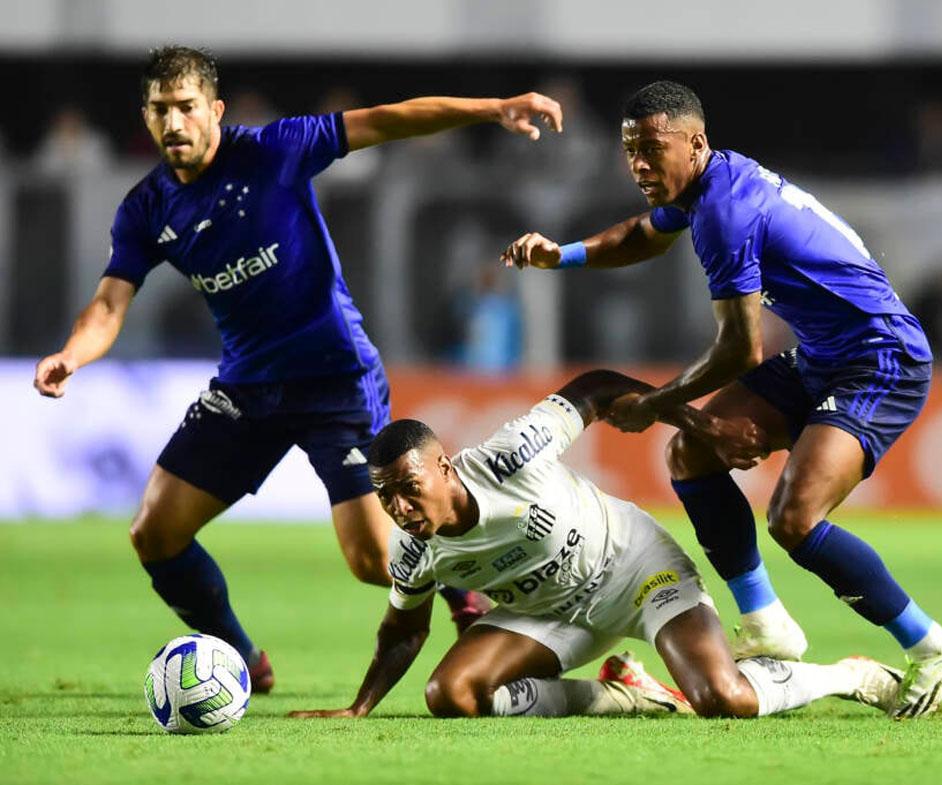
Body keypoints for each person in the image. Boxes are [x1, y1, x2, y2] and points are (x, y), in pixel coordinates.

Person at [32, 45, 564, 693]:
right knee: (155, 533)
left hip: (334, 378)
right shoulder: (145, 208)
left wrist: (492, 108)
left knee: (374, 561)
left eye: (186, 108)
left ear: (215, 110)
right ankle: (238, 660)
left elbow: (389, 119)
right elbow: (111, 301)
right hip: (247, 387)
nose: (174, 123)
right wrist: (72, 353)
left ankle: (484, 591)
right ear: (145, 116)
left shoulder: (273, 150)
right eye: (160, 110)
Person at [501, 80, 942, 718]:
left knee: (794, 519)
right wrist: (567, 255)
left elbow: (740, 349)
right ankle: (767, 624)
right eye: (630, 151)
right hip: (821, 357)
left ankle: (934, 645)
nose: (639, 165)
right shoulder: (710, 185)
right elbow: (645, 233)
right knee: (689, 456)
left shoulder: (725, 211)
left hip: (880, 361)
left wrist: (655, 401)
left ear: (695, 143)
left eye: (651, 150)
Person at [289, 369, 903, 721]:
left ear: (444, 467)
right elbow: (404, 631)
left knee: (724, 699)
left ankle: (842, 676)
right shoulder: (413, 550)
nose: (397, 507)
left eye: (406, 489)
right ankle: (619, 697)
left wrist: (699, 423)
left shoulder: (510, 457)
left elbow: (600, 387)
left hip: (635, 572)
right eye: (384, 495)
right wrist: (358, 708)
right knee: (450, 695)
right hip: (549, 615)